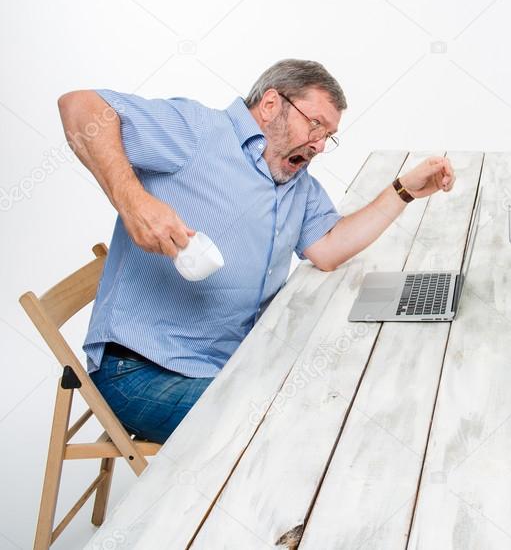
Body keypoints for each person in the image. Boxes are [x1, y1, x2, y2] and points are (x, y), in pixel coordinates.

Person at [58, 59, 455, 443]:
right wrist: (133, 202)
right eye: (314, 124)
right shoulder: (199, 131)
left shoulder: (294, 180)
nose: (318, 144)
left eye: (327, 135)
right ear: (270, 105)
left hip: (233, 363)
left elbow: (329, 248)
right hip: (140, 373)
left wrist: (404, 190)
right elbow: (78, 106)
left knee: (345, 392)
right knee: (298, 427)